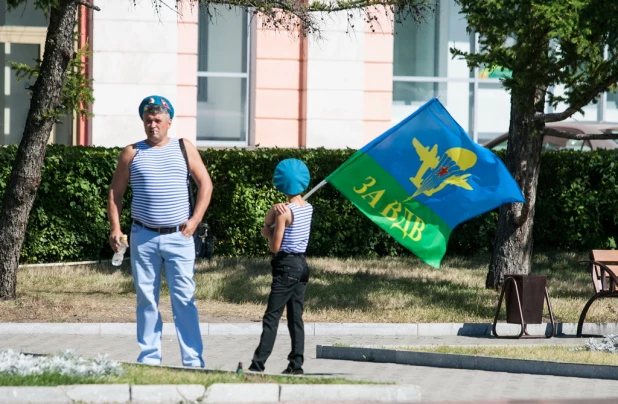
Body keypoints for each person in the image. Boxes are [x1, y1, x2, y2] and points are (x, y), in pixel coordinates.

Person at [107, 95, 213, 367]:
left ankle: (193, 361)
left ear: (169, 122)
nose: (152, 125)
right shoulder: (132, 152)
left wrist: (195, 220)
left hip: (180, 236)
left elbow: (206, 184)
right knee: (146, 300)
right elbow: (115, 193)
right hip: (143, 237)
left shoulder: (183, 148)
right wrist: (116, 228)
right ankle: (149, 358)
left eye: (157, 120)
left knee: (184, 299)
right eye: (148, 121)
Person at [249, 158, 314, 375]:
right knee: (296, 318)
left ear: (280, 184)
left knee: (272, 317)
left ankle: (257, 365)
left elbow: (275, 247)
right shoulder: (308, 207)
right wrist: (272, 221)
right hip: (302, 266)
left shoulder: (283, 212)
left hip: (286, 266)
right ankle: (296, 365)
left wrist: (268, 229)